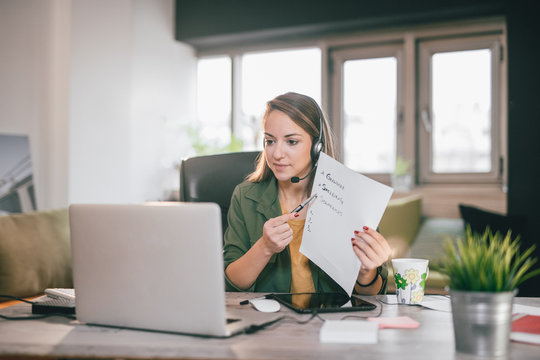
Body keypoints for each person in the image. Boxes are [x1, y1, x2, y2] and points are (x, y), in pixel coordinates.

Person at [223, 92, 391, 296]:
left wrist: (366, 272)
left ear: (316, 146)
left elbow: (372, 295)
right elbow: (231, 283)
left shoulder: (351, 195)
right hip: (269, 321)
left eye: (291, 142)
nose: (277, 154)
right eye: (270, 141)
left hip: (333, 322)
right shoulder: (245, 196)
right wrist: (264, 247)